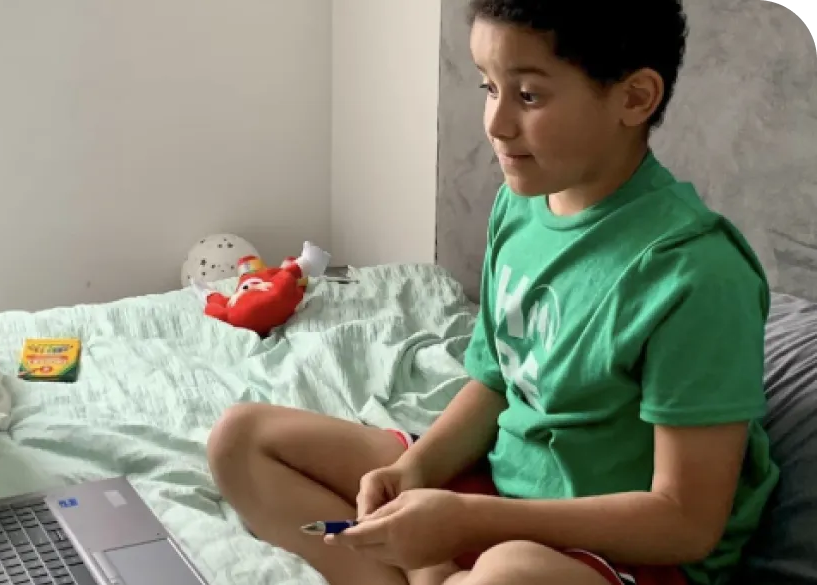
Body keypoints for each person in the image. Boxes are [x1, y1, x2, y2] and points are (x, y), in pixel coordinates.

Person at [206, 0, 780, 584]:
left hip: (621, 552)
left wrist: (470, 522)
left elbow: (685, 523)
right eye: (488, 87)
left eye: (528, 96)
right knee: (241, 440)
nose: (496, 123)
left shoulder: (695, 273)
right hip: (501, 490)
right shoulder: (523, 201)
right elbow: (497, 380)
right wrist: (416, 470)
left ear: (634, 99)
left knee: (508, 572)